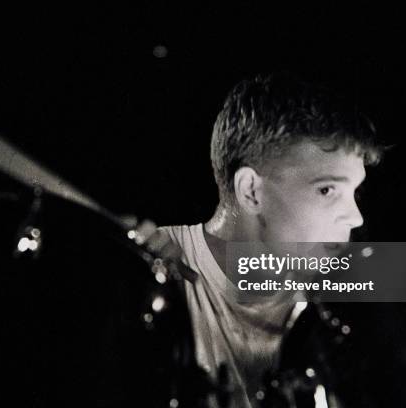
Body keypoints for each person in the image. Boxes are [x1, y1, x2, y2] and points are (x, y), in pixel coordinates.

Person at [129, 73, 384, 407]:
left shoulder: (343, 287)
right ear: (251, 191)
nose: (355, 216)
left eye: (355, 192)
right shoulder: (152, 267)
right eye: (327, 189)